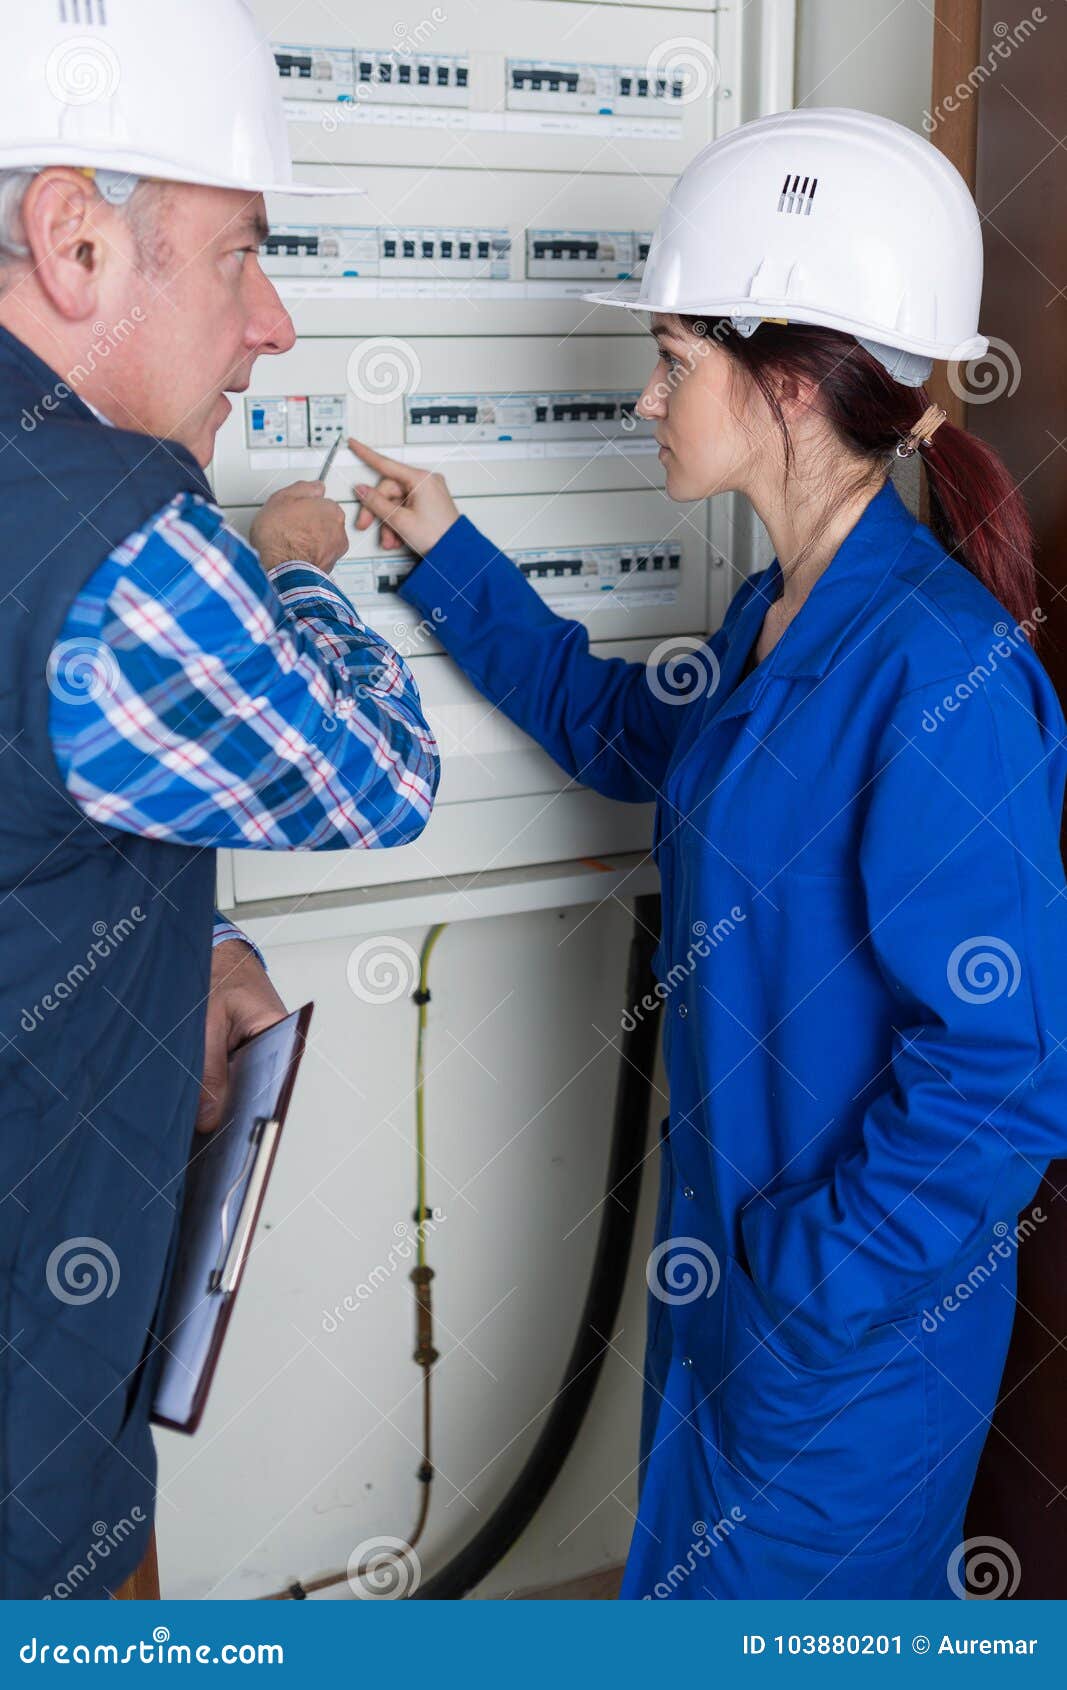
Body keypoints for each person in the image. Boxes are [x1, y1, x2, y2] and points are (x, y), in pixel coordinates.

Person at [346, 107, 1067, 1598]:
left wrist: (804, 1284)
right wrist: (453, 558)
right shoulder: (778, 622)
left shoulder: (943, 674)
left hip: (842, 1364)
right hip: (742, 1317)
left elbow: (1002, 1074)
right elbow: (630, 733)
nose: (648, 394)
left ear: (790, 381)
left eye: (674, 358)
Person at [0, 1, 438, 1598]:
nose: (275, 324)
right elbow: (377, 771)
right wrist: (297, 574)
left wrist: (161, 945)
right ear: (76, 242)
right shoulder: (115, 535)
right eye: (240, 252)